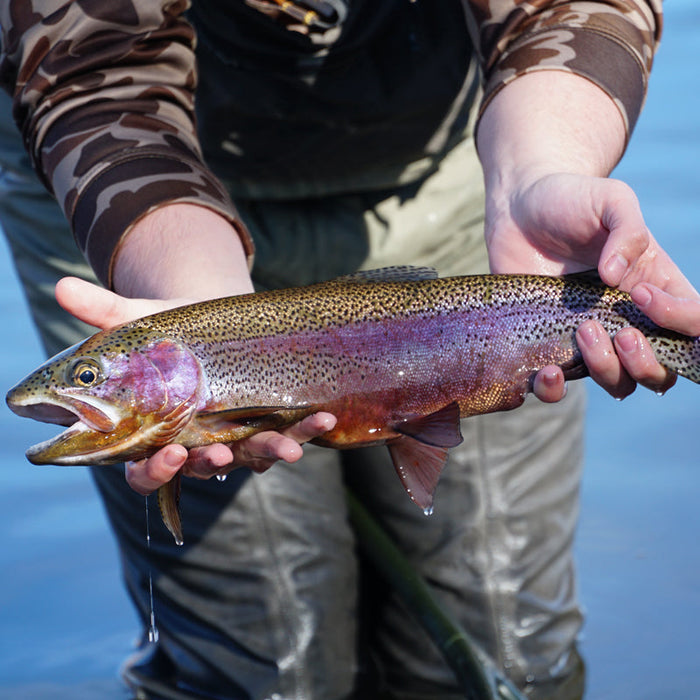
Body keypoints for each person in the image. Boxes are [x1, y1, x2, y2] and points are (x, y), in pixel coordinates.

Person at [1, 1, 695, 698]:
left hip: (473, 172)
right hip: (129, 203)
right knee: (267, 667)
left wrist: (539, 176)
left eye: (88, 375)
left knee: (507, 651)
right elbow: (95, 66)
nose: (81, 383)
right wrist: (199, 300)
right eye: (89, 375)